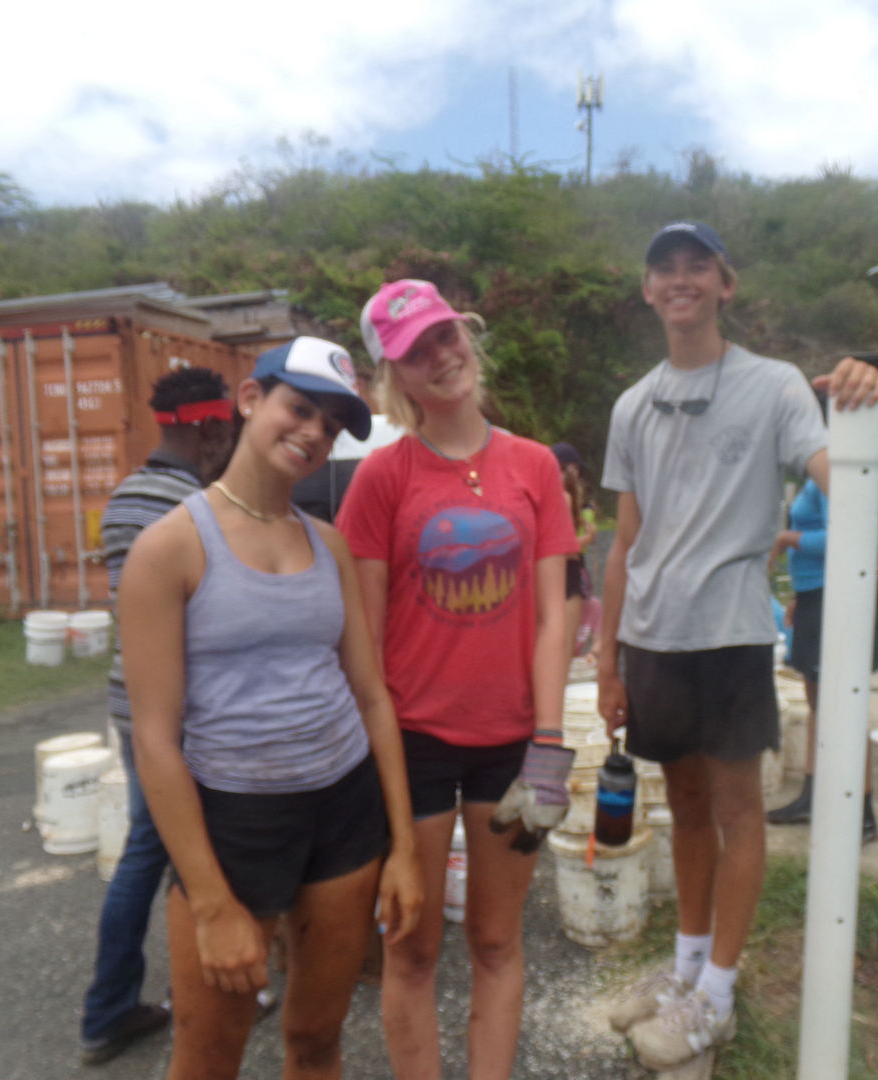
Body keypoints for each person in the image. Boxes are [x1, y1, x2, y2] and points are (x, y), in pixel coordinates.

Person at [597, 221, 878, 1073]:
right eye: (665, 268)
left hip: (729, 633)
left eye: (699, 266)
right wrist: (609, 661)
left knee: (736, 810)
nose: (680, 279)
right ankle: (686, 967)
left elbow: (845, 480)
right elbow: (625, 542)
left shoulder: (774, 385)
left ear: (725, 286)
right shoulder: (633, 404)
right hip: (653, 637)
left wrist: (866, 409)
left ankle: (717, 996)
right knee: (683, 805)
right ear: (648, 290)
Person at [119, 337, 422, 1080]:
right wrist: (212, 902)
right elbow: (155, 741)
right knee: (208, 1058)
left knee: (317, 1038)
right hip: (234, 824)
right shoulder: (170, 548)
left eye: (332, 424)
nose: (314, 432)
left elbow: (371, 695)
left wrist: (405, 849)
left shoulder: (328, 545)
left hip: (343, 812)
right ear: (251, 399)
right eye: (300, 408)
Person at [337, 279, 579, 1080]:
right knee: (410, 948)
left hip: (514, 744)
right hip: (413, 742)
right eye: (417, 352)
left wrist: (549, 745)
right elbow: (365, 643)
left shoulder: (535, 466)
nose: (441, 357)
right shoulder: (382, 478)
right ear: (395, 378)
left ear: (466, 334)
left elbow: (554, 618)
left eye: (446, 335)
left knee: (496, 940)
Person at [79, 366, 236, 1066]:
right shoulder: (194, 507)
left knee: (151, 845)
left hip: (128, 700)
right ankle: (177, 996)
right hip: (175, 708)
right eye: (225, 431)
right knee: (182, 848)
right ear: (209, 429)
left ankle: (114, 1007)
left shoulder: (123, 497)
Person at [765, 479, 878, 840]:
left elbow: (841, 537)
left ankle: (863, 813)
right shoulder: (814, 476)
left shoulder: (834, 472)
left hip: (834, 596)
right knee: (816, 702)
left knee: (845, 704)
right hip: (814, 595)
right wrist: (801, 597)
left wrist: (785, 539)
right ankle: (811, 798)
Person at [551, 441, 597, 672]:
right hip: (564, 577)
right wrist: (588, 537)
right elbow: (564, 549)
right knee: (563, 650)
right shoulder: (562, 497)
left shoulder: (567, 499)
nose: (576, 474)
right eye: (572, 469)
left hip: (566, 576)